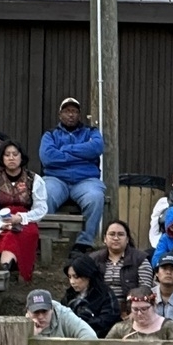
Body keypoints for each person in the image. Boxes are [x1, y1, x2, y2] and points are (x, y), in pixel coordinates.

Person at [39, 99, 107, 250]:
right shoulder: (50, 135)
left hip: (86, 180)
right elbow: (48, 158)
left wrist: (66, 149)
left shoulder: (92, 132)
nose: (71, 115)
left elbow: (96, 148)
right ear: (60, 114)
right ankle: (48, 243)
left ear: (79, 115)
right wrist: (82, 156)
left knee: (96, 197)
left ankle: (84, 244)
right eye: (67, 111)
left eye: (74, 111)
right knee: (44, 193)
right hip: (56, 179)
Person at [0, 141, 45, 281]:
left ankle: (4, 268)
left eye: (15, 154)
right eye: (7, 155)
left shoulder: (35, 179)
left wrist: (21, 218)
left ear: (21, 157)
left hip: (24, 221)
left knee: (15, 238)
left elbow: (41, 208)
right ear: (2, 158)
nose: (11, 158)